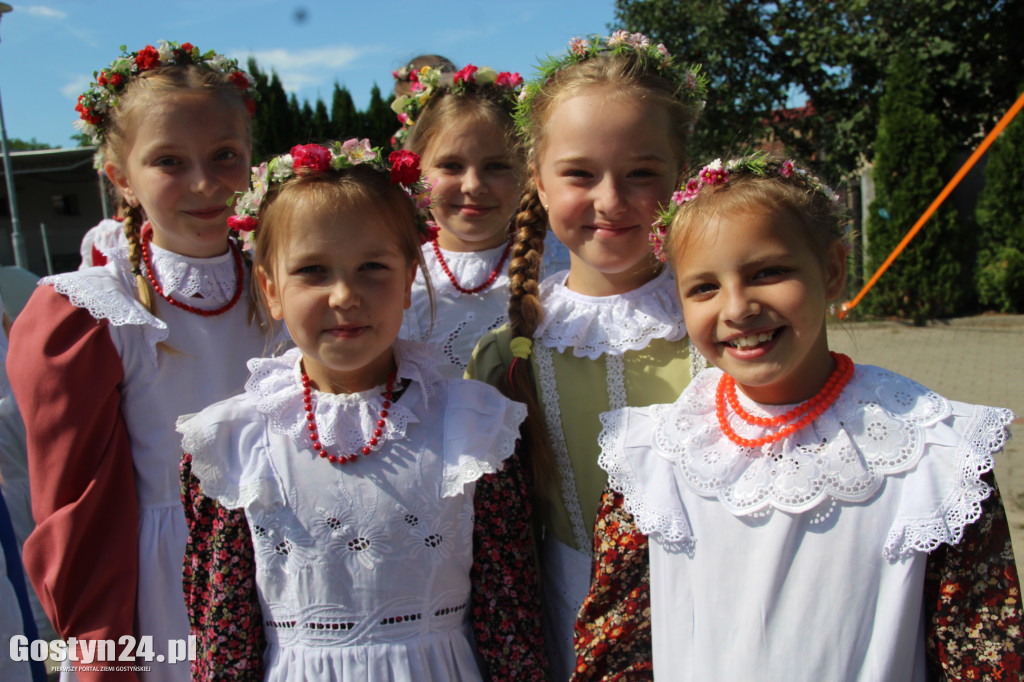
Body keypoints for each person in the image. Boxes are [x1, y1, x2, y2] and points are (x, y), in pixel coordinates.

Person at [591, 154, 1023, 680]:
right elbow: (618, 650)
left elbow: (982, 651)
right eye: (703, 287)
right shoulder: (652, 459)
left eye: (768, 272)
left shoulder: (933, 454)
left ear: (833, 270)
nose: (737, 308)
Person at [179, 140, 548, 680]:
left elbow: (508, 619)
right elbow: (222, 636)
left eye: (372, 266)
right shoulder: (232, 443)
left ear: (407, 281)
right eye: (312, 271)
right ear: (271, 288)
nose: (345, 295)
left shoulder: (473, 429)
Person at [6, 41, 265, 682]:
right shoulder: (95, 310)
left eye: (224, 156)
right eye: (170, 162)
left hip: (287, 567)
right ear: (119, 174)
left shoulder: (284, 280)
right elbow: (74, 508)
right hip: (167, 589)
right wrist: (102, 651)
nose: (205, 183)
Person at [465, 32, 707, 679]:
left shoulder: (718, 330)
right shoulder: (508, 352)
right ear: (538, 182)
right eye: (580, 173)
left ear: (680, 178)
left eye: (641, 173)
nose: (610, 199)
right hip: (571, 620)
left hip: (714, 613)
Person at [394, 62, 525, 375]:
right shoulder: (396, 271)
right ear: (416, 169)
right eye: (451, 166)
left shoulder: (559, 263)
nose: (474, 186)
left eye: (496, 166)